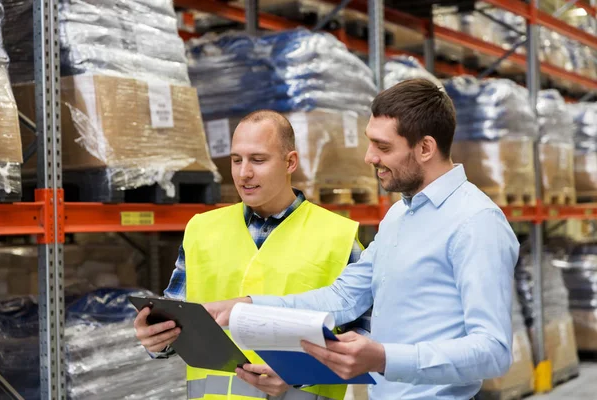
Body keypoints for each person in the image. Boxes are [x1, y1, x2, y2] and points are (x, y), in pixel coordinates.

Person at [205, 79, 521, 400]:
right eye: (370, 143)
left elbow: (493, 351)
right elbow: (343, 298)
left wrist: (383, 358)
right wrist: (247, 307)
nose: (369, 157)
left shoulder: (476, 223)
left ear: (425, 148)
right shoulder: (399, 216)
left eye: (383, 147)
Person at [134, 110, 364, 400]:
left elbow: (365, 338)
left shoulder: (337, 236)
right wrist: (156, 337)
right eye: (236, 160)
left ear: (290, 162)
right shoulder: (201, 229)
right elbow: (178, 316)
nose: (244, 173)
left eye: (258, 160)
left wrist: (300, 372)